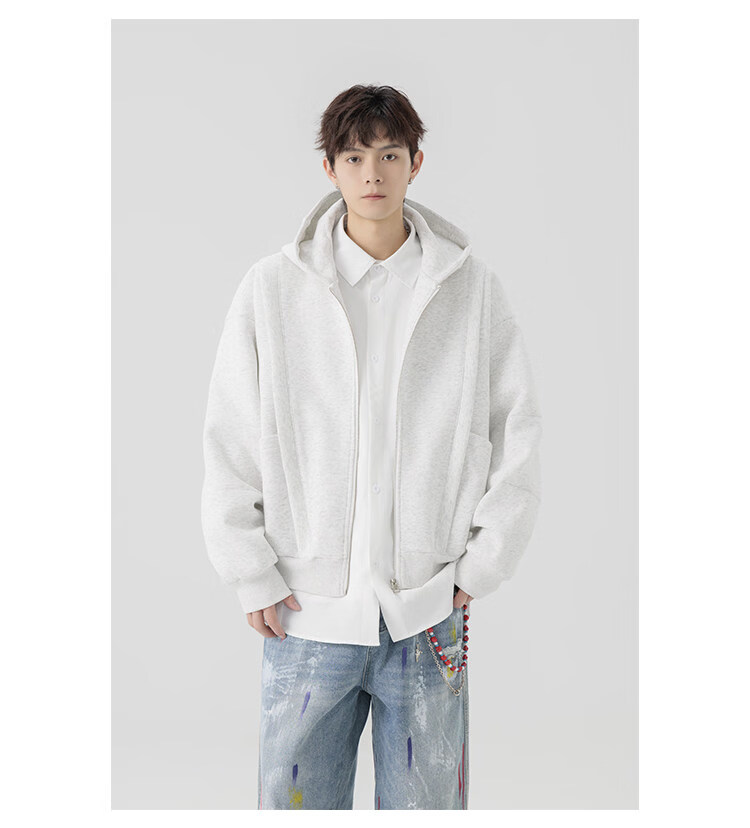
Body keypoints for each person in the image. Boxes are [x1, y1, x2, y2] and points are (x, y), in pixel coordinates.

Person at [201, 84, 543, 810]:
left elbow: (516, 427)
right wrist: (250, 572)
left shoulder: (472, 290)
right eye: (354, 157)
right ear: (329, 168)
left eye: (389, 155)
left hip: (426, 613)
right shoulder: (272, 289)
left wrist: (484, 562)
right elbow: (231, 434)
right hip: (306, 616)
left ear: (416, 162)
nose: (372, 174)